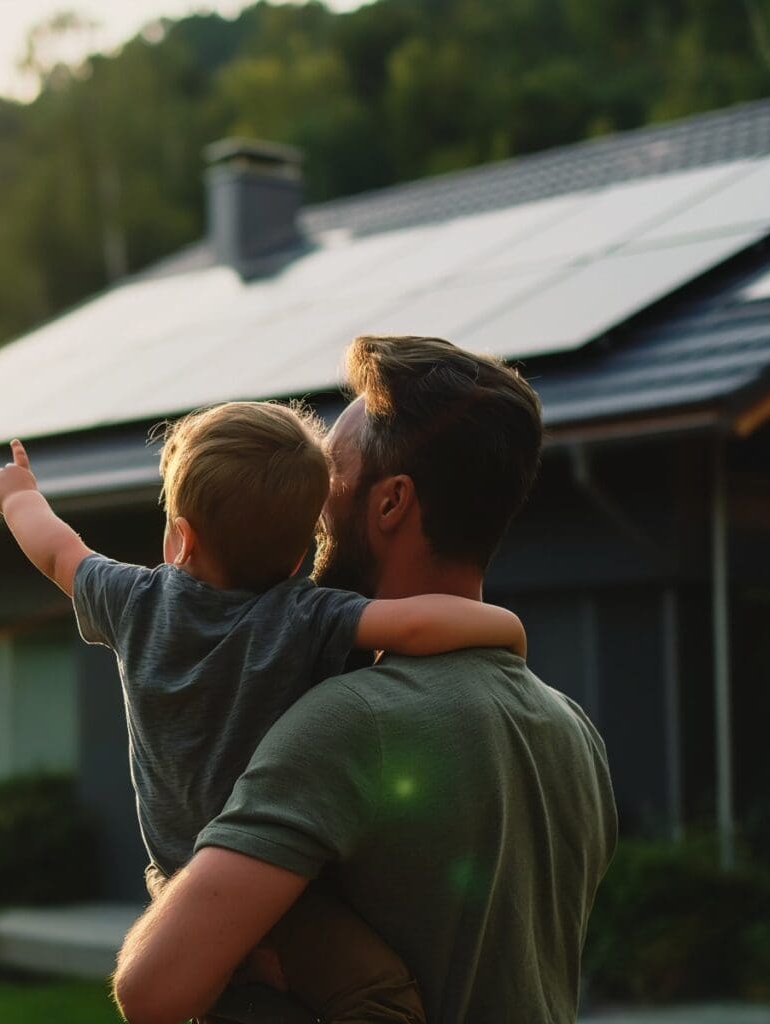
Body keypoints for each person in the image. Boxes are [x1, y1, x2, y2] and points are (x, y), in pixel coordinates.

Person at [111, 336, 618, 1024]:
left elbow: (152, 991)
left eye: (327, 480)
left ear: (390, 504)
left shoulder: (348, 723)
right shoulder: (571, 730)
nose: (307, 509)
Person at [0, 399, 528, 1023]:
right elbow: (417, 622)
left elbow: (56, 549)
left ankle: (248, 967)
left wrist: (17, 495)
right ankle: (258, 961)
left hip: (178, 878)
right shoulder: (306, 616)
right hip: (278, 888)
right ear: (300, 555)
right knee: (382, 1000)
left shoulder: (136, 601)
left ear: (180, 539)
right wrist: (504, 625)